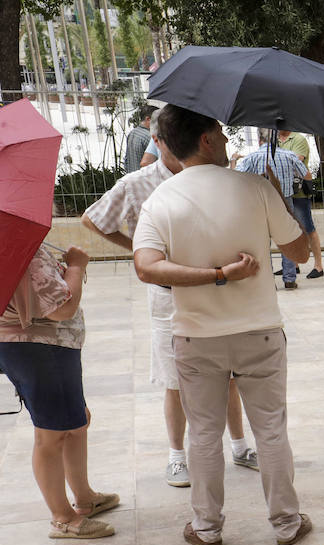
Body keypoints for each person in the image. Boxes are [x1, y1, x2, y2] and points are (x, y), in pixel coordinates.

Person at [132, 104, 312, 545]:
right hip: (260, 332)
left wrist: (213, 275)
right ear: (207, 138)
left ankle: (207, 527)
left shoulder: (161, 200)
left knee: (205, 435)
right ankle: (286, 523)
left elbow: (146, 267)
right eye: (221, 132)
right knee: (270, 429)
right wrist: (276, 196)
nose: (228, 141)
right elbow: (301, 251)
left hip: (196, 336)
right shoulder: (253, 187)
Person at [82, 110, 258, 488]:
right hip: (168, 299)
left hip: (217, 290)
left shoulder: (212, 178)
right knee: (175, 380)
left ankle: (241, 447)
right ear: (157, 141)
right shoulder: (138, 184)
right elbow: (93, 219)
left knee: (228, 375)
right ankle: (177, 456)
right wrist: (137, 249)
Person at [0, 244, 119, 539]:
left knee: (76, 422)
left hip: (38, 347)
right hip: (38, 348)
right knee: (51, 434)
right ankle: (62, 517)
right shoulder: (22, 251)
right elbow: (61, 308)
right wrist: (77, 267)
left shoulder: (16, 245)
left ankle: (84, 497)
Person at [233, 132, 309, 290]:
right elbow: (306, 175)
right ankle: (289, 278)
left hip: (258, 202)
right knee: (287, 238)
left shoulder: (251, 157)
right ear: (276, 140)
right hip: (284, 200)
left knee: (263, 242)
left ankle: (268, 280)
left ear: (260, 140)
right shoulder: (289, 155)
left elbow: (236, 177)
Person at [276, 129, 324, 280]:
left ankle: (318, 266)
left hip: (298, 191)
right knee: (288, 229)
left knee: (307, 227)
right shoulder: (274, 140)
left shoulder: (298, 139)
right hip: (283, 191)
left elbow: (297, 159)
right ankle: (293, 265)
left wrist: (276, 160)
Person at [123, 104, 154, 173]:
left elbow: (127, 159)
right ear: (148, 119)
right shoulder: (149, 137)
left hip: (132, 175)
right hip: (145, 178)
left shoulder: (133, 132)